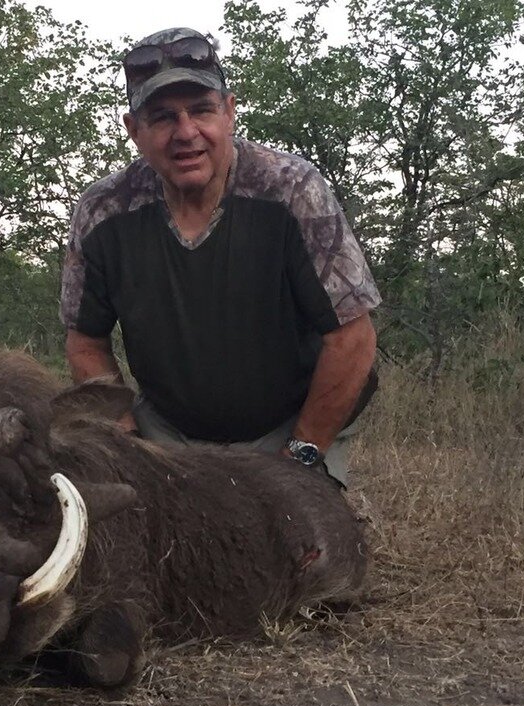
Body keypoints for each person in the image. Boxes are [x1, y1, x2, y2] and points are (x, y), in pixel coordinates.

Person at [59, 27, 380, 488]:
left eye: (202, 110)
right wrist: (129, 446)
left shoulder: (293, 190)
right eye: (163, 117)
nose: (186, 133)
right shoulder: (102, 212)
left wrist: (302, 454)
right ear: (134, 131)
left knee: (303, 550)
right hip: (163, 435)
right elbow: (85, 342)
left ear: (229, 112)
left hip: (290, 428)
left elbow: (352, 337)